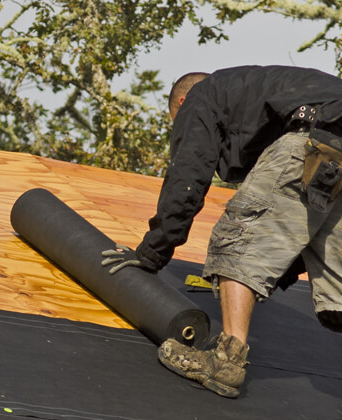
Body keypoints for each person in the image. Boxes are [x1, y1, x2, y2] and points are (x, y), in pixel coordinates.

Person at [101, 65, 342, 398]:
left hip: (316, 140)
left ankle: (226, 361)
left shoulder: (202, 97)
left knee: (236, 239)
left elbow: (188, 175)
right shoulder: (261, 94)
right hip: (332, 145)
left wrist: (153, 252)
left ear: (182, 102)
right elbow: (293, 221)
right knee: (338, 289)